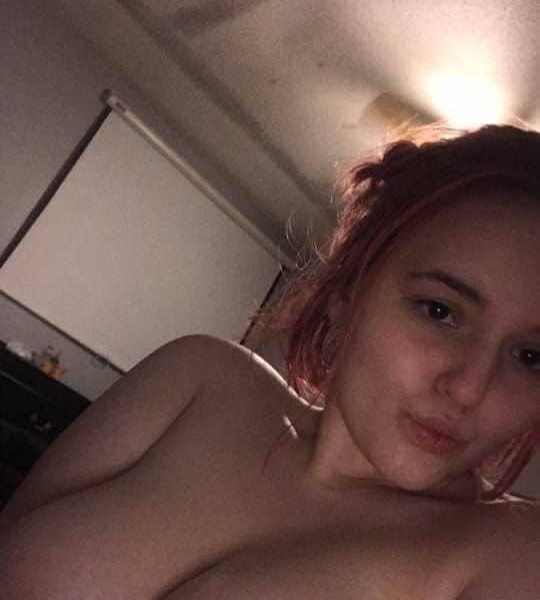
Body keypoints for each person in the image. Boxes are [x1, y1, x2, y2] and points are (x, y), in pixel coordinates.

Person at [0, 122, 539, 599]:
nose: (470, 388)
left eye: (531, 356)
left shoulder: (508, 552)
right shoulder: (199, 380)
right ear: (348, 290)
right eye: (439, 311)